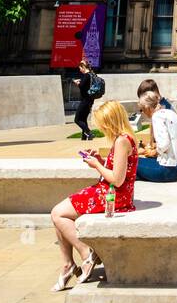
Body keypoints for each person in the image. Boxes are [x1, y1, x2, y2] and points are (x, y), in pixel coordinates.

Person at [49, 99, 138, 291]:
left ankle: (85, 253)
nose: (102, 128)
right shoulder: (124, 138)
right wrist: (101, 160)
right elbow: (118, 169)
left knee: (57, 214)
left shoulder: (122, 140)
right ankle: (68, 265)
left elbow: (117, 179)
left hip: (113, 195)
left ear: (110, 121)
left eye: (102, 123)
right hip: (110, 191)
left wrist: (96, 165)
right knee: (58, 215)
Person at [136, 89, 177, 183]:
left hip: (166, 171)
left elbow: (164, 144)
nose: (142, 113)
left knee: (130, 162)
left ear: (147, 107)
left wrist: (151, 152)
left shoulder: (157, 116)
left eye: (142, 109)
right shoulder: (170, 113)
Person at [72, 58, 94, 141]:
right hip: (90, 100)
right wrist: (81, 82)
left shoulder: (87, 75)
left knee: (77, 119)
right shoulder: (92, 75)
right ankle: (84, 137)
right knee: (83, 119)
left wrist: (77, 83)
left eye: (80, 68)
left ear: (83, 67)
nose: (80, 70)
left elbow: (82, 86)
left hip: (85, 100)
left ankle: (89, 132)